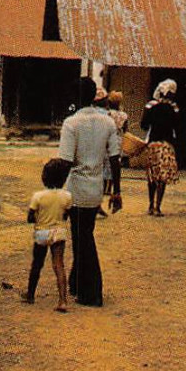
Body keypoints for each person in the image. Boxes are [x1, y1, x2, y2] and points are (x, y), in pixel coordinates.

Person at [58, 76, 122, 306]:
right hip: (95, 189)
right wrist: (117, 192)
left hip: (76, 188)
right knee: (83, 235)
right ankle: (77, 282)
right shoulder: (107, 122)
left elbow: (65, 161)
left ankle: (92, 291)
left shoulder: (71, 124)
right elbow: (115, 160)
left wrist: (55, 192)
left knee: (82, 239)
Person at [23, 157, 74, 312]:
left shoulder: (38, 196)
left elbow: (30, 218)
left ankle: (30, 295)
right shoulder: (67, 196)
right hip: (58, 233)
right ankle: (63, 300)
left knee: (37, 264)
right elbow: (67, 215)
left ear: (44, 176)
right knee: (59, 265)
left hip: (42, 232)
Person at [140, 79, 181, 216]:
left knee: (152, 176)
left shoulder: (150, 106)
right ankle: (158, 206)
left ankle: (151, 205)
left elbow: (144, 125)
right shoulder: (174, 108)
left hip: (152, 144)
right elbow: (178, 126)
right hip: (166, 145)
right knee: (162, 177)